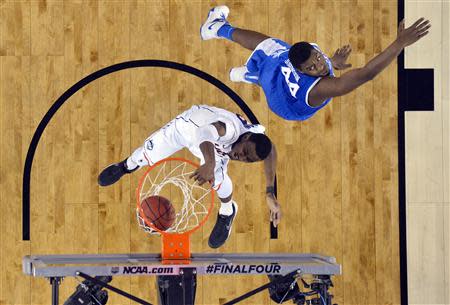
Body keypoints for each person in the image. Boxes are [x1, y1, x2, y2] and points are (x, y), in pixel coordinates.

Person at [200, 6, 431, 121]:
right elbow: (367, 74)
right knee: (270, 52)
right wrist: (400, 43)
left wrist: (331, 61)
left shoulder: (310, 66)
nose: (319, 66)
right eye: (311, 68)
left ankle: (219, 30)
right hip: (286, 94)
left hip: (286, 103)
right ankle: (244, 67)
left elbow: (358, 72)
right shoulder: (318, 83)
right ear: (299, 70)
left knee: (270, 47)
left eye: (319, 60)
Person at [98, 104, 279, 248]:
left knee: (220, 181)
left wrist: (270, 192)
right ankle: (124, 166)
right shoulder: (229, 129)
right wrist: (209, 163)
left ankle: (227, 211)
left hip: (214, 152)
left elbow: (271, 151)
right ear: (245, 137)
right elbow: (204, 133)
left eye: (248, 160)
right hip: (184, 131)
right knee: (145, 155)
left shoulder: (255, 138)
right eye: (245, 151)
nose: (242, 157)